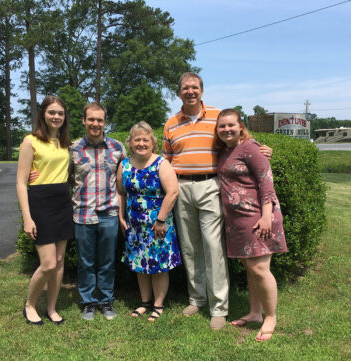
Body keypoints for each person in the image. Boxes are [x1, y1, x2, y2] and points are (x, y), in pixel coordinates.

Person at [163, 72, 272, 330]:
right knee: (190, 247)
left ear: (202, 91)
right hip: (181, 188)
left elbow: (239, 140)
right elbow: (166, 160)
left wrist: (264, 149)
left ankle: (219, 307)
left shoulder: (216, 117)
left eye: (195, 87)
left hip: (211, 186)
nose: (190, 92)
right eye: (185, 88)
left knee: (213, 247)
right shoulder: (171, 124)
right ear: (179, 93)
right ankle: (197, 298)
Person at [215, 108, 287, 342]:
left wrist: (266, 216)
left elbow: (266, 183)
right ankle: (255, 313)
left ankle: (270, 316)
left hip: (258, 216)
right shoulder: (226, 151)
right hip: (237, 220)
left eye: (230, 125)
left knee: (260, 269)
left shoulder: (250, 148)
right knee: (250, 268)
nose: (226, 129)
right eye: (222, 126)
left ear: (241, 127)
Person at [17, 95, 73, 325]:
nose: (56, 117)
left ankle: (51, 307)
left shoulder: (65, 142)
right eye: (52, 112)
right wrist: (27, 218)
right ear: (43, 114)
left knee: (59, 261)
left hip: (62, 201)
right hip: (41, 201)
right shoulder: (31, 141)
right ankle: (30, 304)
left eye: (60, 113)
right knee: (48, 262)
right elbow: (21, 182)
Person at [117, 122, 181, 321]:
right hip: (134, 225)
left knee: (158, 265)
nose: (141, 143)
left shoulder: (161, 163)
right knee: (139, 263)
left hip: (157, 225)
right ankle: (145, 302)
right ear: (131, 143)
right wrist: (121, 217)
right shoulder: (125, 164)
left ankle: (158, 305)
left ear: (152, 143)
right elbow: (121, 192)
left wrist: (161, 220)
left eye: (145, 139)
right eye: (137, 139)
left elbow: (173, 192)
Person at [70, 103, 126, 321]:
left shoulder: (117, 148)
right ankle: (87, 302)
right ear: (84, 121)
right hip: (83, 214)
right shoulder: (73, 149)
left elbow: (123, 182)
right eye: (91, 119)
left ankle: (105, 300)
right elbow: (65, 179)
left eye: (99, 120)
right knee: (85, 262)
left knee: (107, 261)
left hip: (109, 213)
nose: (95, 124)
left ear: (105, 122)